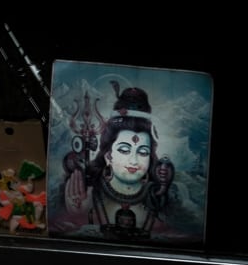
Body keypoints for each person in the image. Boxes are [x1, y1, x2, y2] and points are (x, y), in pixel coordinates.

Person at [61, 82, 173, 241]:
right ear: (108, 156)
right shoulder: (91, 194)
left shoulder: (157, 197)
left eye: (142, 152)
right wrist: (78, 216)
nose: (133, 161)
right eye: (124, 150)